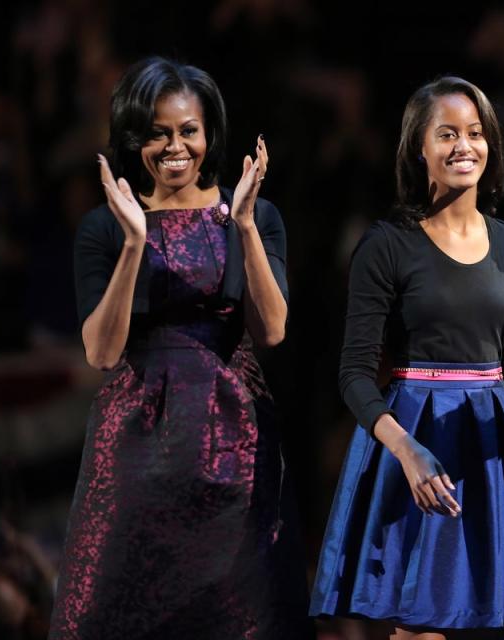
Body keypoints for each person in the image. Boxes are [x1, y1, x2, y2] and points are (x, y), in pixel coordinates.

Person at [309, 77, 504, 639]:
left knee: (491, 623)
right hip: (418, 441)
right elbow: (353, 375)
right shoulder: (387, 244)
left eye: (475, 133)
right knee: (420, 626)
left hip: (492, 445)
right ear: (418, 148)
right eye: (447, 134)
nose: (463, 146)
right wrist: (405, 449)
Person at [48, 57, 312, 639]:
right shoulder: (106, 227)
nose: (175, 147)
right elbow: (100, 353)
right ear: (132, 137)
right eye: (157, 133)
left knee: (242, 610)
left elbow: (271, 331)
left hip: (234, 441)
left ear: (209, 133)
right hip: (136, 444)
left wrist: (242, 225)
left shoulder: (256, 215)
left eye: (187, 130)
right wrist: (134, 243)